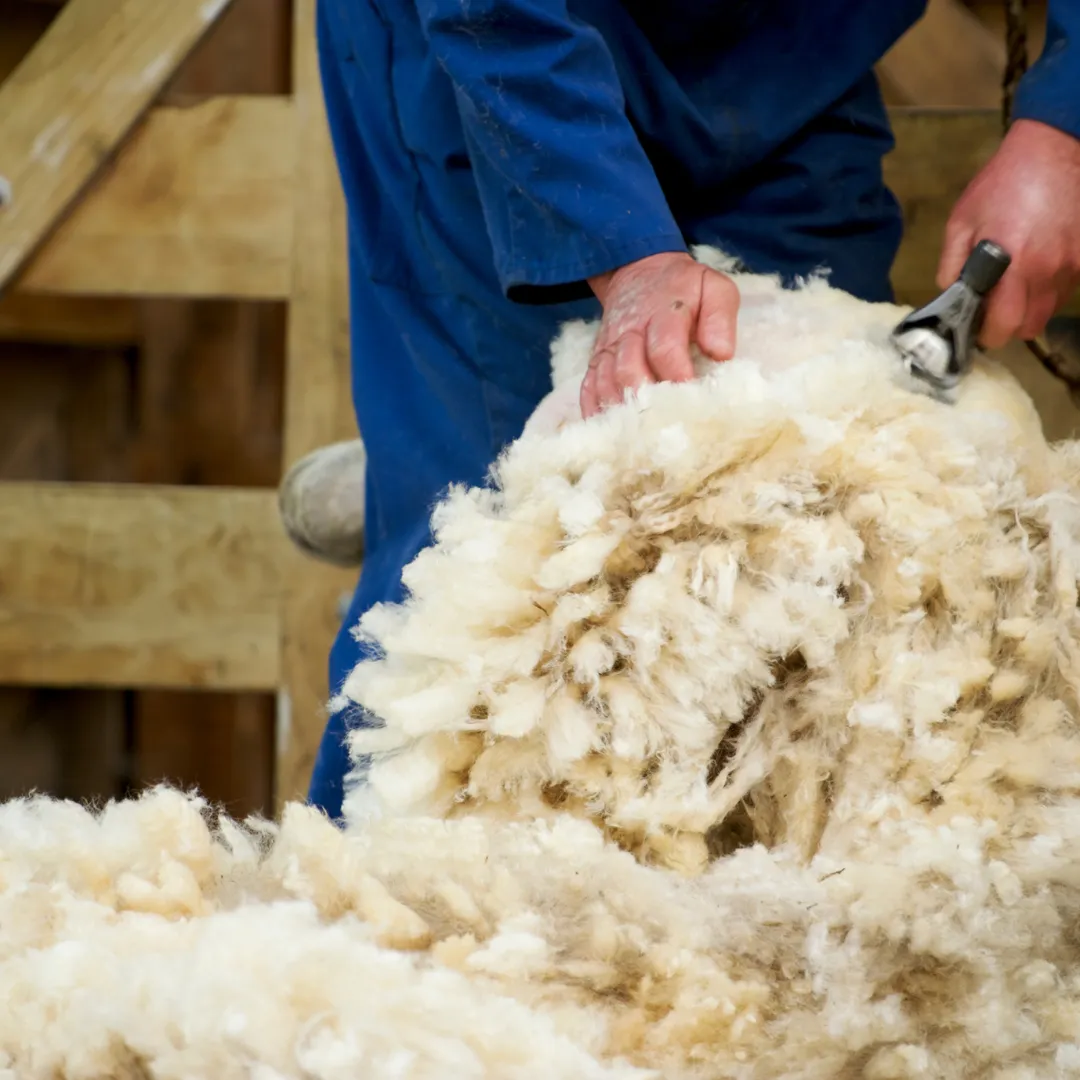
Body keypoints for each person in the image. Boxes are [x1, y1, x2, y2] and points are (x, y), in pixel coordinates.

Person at [299, 0, 1080, 821]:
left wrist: (1062, 132)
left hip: (791, 50)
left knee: (829, 536)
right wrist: (617, 245)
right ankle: (394, 914)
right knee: (507, 565)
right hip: (497, 41)